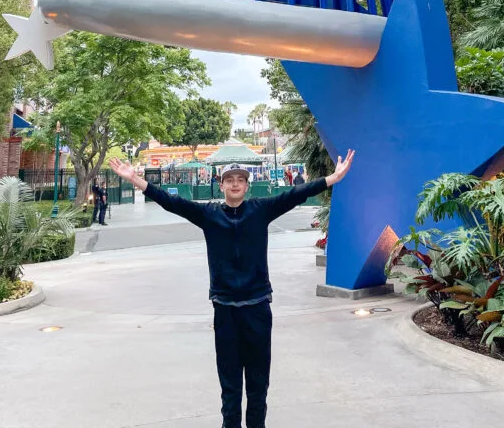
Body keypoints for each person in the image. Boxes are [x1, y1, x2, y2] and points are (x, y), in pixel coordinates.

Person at [110, 149, 355, 428]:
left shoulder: (260, 210)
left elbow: (294, 194)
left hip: (258, 307)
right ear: (221, 184)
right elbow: (171, 202)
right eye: (230, 179)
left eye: (240, 179)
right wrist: (137, 180)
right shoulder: (208, 214)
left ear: (247, 185)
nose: (235, 183)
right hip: (225, 310)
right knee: (230, 387)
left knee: (258, 385)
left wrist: (332, 179)